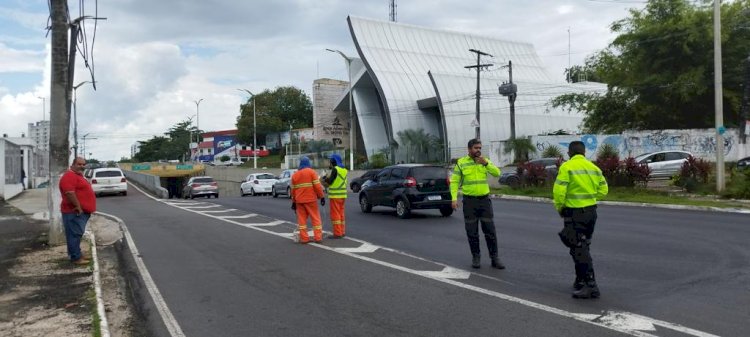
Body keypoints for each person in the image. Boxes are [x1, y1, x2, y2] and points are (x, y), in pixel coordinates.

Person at [553, 141, 608, 299]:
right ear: (584, 152)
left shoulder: (567, 167)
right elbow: (604, 190)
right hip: (591, 213)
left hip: (574, 213)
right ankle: (580, 280)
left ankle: (591, 285)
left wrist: (560, 208)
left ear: (569, 153)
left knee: (578, 248)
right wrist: (590, 198)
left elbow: (558, 191)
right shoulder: (594, 168)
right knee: (583, 247)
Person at [450, 138, 505, 269]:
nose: (478, 150)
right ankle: (476, 257)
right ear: (469, 149)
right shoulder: (461, 163)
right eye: (476, 148)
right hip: (469, 202)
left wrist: (486, 164)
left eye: (480, 148)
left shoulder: (485, 161)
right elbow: (454, 182)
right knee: (472, 232)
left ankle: (494, 258)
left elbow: (497, 173)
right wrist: (453, 198)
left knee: (490, 231)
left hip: (484, 201)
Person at [59, 157, 96, 265]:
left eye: (83, 164)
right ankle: (75, 258)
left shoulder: (77, 175)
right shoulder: (69, 176)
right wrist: (78, 207)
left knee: (77, 234)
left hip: (80, 212)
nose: (82, 166)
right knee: (74, 235)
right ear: (73, 164)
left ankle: (77, 254)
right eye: (79, 164)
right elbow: (69, 192)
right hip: (74, 212)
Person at [291, 156, 325, 243]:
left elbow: (293, 190)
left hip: (299, 201)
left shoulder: (295, 175)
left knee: (302, 220)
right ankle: (318, 237)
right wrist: (321, 196)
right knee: (315, 218)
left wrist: (294, 202)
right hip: (311, 200)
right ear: (308, 163)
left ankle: (304, 238)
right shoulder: (312, 172)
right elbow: (317, 187)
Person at [322, 153, 348, 238]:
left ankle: (337, 233)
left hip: (335, 196)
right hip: (343, 195)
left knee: (335, 214)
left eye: (331, 161)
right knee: (341, 214)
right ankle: (342, 231)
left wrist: (324, 178)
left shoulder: (335, 169)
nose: (330, 163)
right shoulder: (344, 170)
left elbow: (330, 181)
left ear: (334, 161)